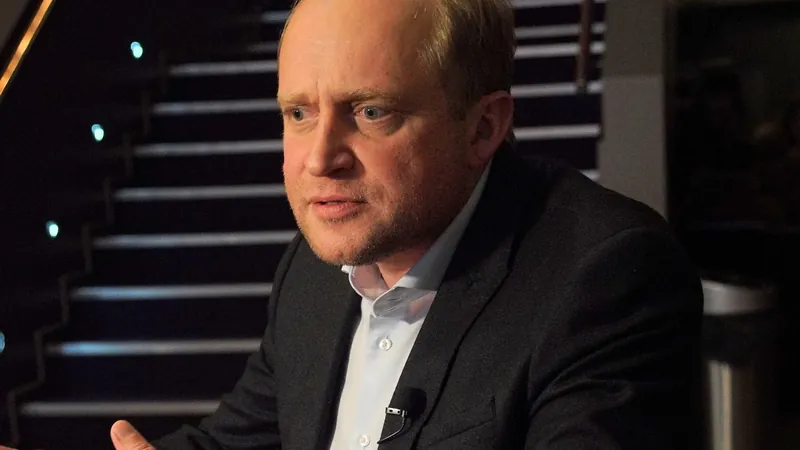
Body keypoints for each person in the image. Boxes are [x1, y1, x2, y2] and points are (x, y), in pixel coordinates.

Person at [3, 0, 703, 448]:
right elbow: (235, 442)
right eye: (298, 113)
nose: (319, 160)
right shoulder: (313, 271)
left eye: (370, 112)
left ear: (483, 127)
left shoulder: (607, 275)